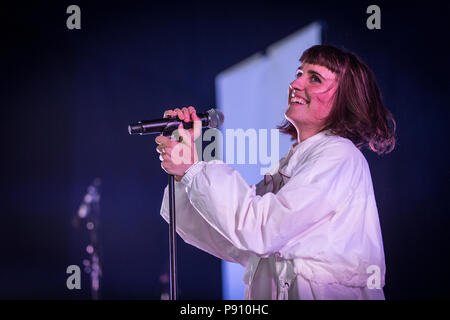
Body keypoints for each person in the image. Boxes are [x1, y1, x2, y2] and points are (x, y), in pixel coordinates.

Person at [155, 45, 396, 300]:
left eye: (314, 78)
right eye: (299, 73)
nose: (295, 83)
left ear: (345, 98)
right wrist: (186, 173)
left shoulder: (340, 156)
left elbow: (261, 230)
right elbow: (234, 238)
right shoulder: (291, 164)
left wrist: (194, 168)